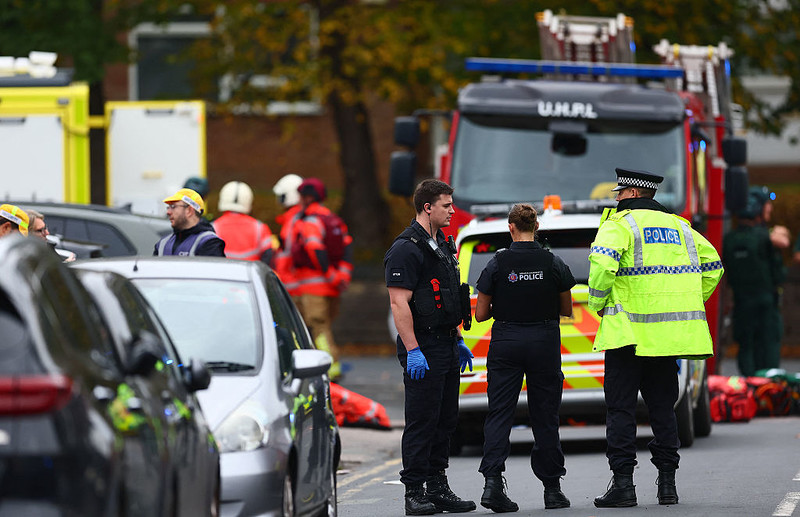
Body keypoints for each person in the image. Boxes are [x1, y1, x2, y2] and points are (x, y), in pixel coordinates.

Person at [588, 168, 723, 508]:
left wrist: (598, 304)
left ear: (633, 194)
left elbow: (602, 267)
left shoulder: (619, 225)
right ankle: (667, 485)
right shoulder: (681, 227)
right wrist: (687, 299)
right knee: (663, 409)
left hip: (627, 336)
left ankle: (623, 486)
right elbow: (713, 265)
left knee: (620, 410)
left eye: (620, 193)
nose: (615, 198)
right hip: (666, 338)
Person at [384, 179, 476, 516]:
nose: (452, 210)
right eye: (446, 205)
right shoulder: (406, 249)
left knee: (446, 420)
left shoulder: (443, 245)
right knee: (422, 420)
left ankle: (438, 486)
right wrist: (413, 350)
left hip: (447, 344)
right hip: (423, 345)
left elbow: (447, 296)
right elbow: (399, 303)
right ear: (428, 207)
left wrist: (460, 340)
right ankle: (414, 491)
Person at [475, 203, 575, 512]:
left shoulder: (497, 263)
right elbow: (567, 310)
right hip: (544, 340)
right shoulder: (553, 262)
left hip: (506, 341)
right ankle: (552, 489)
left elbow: (480, 315)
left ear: (511, 228)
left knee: (500, 414)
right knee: (545, 415)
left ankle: (493, 483)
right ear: (536, 227)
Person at [287, 178, 353, 380]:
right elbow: (347, 247)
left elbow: (314, 249)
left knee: (318, 327)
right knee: (325, 326)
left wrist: (329, 274)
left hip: (313, 287)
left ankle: (330, 366)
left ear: (307, 198)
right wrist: (342, 274)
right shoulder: (334, 220)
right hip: (332, 288)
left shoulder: (310, 220)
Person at [723, 186, 787, 376]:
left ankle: (750, 390)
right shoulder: (765, 237)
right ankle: (767, 392)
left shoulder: (729, 239)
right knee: (768, 347)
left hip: (742, 303)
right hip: (766, 304)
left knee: (746, 346)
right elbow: (784, 244)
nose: (770, 209)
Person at [213, 180, 275, 263]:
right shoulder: (260, 228)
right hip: (251, 275)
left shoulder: (213, 227)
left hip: (222, 275)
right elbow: (268, 257)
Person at [154, 188, 226, 257]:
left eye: (173, 206)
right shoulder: (162, 244)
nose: (168, 212)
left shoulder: (209, 243)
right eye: (168, 207)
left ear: (189, 211)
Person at [272, 173, 304, 292]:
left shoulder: (293, 220)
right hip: (297, 283)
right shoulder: (298, 217)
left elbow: (287, 253)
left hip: (292, 285)